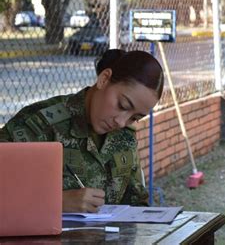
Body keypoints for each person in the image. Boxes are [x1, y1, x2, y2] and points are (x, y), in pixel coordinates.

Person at [0, 49, 164, 213]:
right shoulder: (38, 126)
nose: (121, 122)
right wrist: (56, 202)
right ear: (104, 79)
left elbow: (136, 204)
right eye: (122, 105)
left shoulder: (124, 137)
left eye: (135, 118)